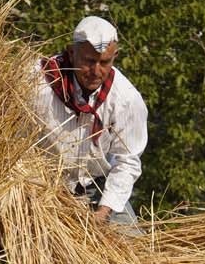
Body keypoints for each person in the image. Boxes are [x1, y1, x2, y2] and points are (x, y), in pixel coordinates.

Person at [34, 15, 148, 227]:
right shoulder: (38, 85)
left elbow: (127, 161)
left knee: (134, 254)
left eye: (105, 62)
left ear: (115, 56)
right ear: (71, 53)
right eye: (89, 61)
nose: (97, 71)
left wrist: (103, 213)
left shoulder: (126, 99)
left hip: (98, 188)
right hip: (42, 187)